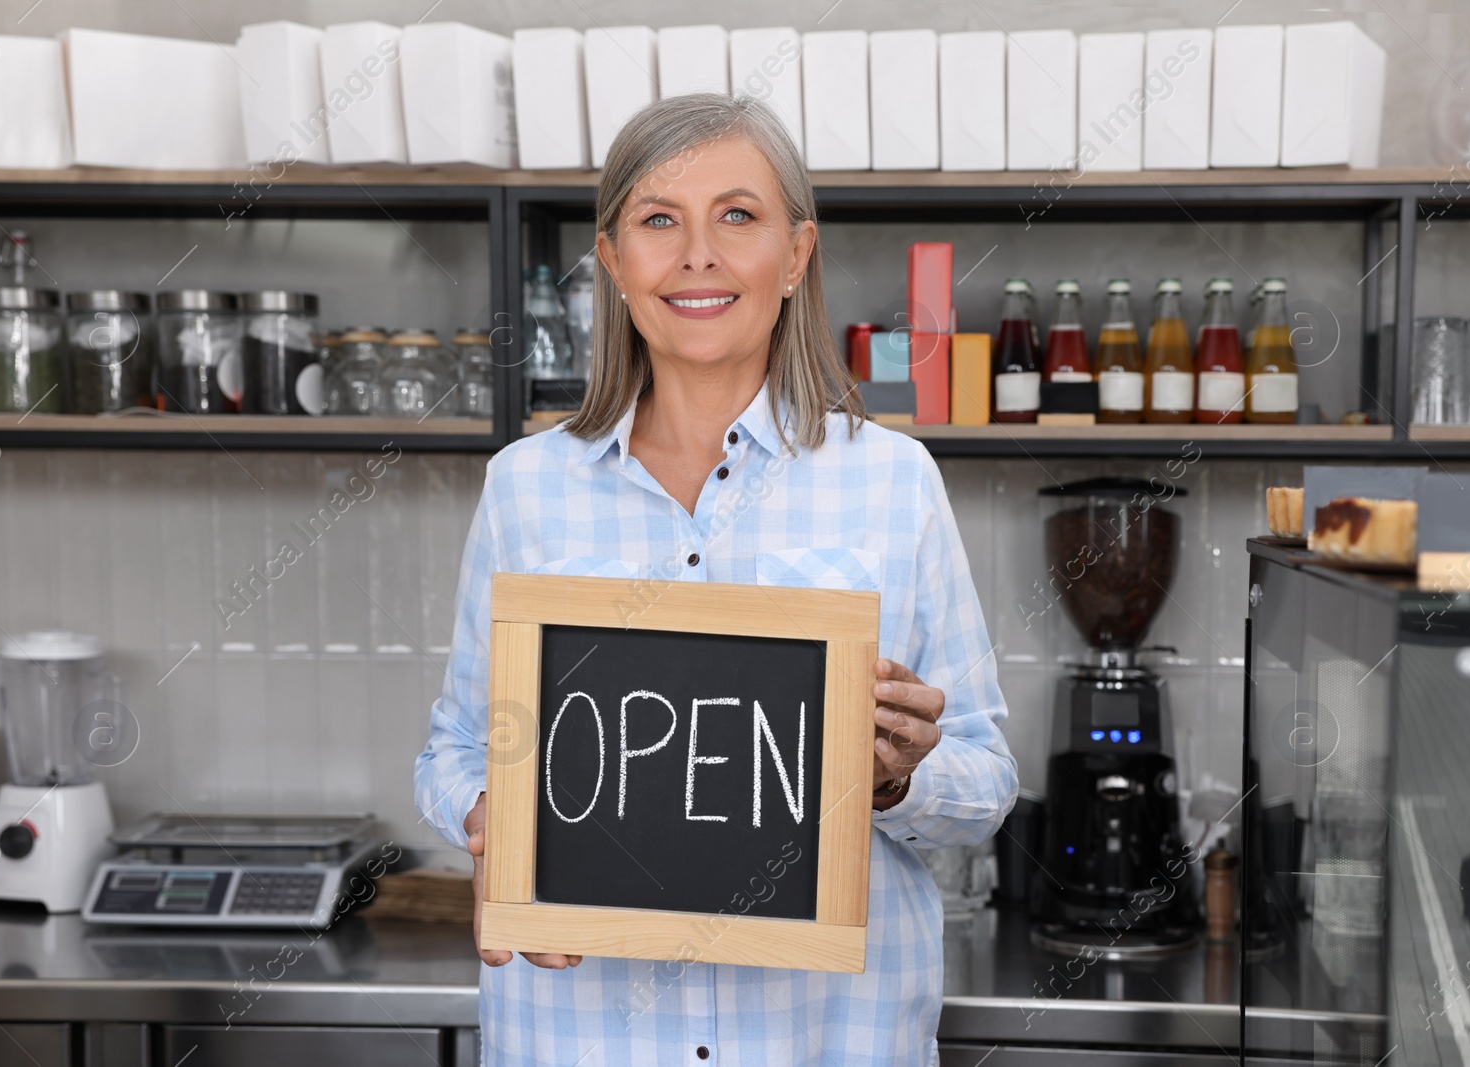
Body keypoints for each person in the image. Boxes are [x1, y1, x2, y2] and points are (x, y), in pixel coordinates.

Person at [415, 92, 1018, 1066]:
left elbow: (985, 780)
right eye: (659, 220)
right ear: (613, 262)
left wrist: (898, 774)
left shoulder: (893, 483)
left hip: (822, 1038)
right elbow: (451, 751)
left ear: (794, 254)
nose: (697, 254)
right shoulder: (522, 489)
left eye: (736, 215)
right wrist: (500, 818)